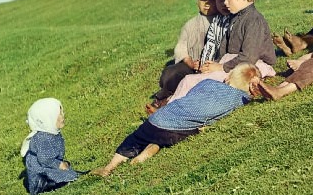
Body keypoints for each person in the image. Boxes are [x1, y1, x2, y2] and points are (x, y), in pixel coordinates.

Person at [92, 64, 262, 176]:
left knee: (134, 138)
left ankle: (109, 167)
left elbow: (191, 96)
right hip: (176, 131)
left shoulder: (208, 83)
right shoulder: (240, 99)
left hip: (157, 119)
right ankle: (152, 149)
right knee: (177, 134)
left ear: (228, 77)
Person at [168, 0, 276, 102]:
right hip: (232, 61)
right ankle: (173, 104)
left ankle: (173, 108)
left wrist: (221, 67)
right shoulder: (234, 17)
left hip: (254, 65)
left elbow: (249, 57)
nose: (225, 3)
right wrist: (214, 64)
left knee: (192, 81)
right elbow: (224, 49)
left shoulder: (254, 20)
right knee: (192, 79)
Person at [149, 0, 220, 109]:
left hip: (215, 65)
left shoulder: (223, 21)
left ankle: (172, 101)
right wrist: (190, 62)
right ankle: (165, 97)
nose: (207, 3)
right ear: (196, 0)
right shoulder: (190, 25)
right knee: (170, 74)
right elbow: (181, 48)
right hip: (193, 66)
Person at [21, 98, 82, 195]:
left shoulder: (51, 132)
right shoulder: (43, 137)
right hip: (41, 176)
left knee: (69, 172)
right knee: (68, 175)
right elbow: (45, 159)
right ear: (46, 119)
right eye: (58, 115)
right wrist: (58, 164)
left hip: (47, 168)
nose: (62, 117)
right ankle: (45, 187)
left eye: (62, 113)